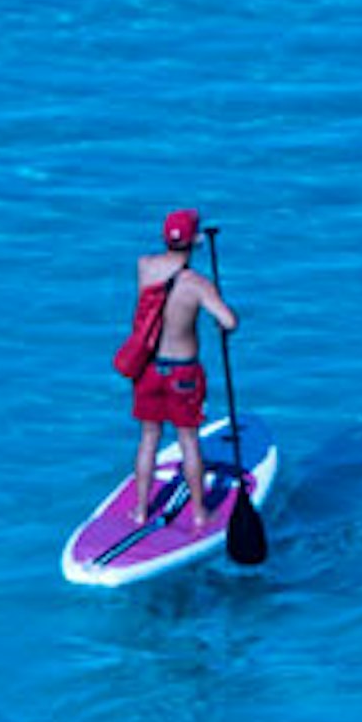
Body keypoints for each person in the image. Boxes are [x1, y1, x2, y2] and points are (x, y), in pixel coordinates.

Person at [120, 207, 238, 526]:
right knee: (188, 441)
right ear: (195, 240)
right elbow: (229, 320)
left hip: (148, 369)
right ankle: (200, 513)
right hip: (183, 374)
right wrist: (221, 324)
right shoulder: (198, 285)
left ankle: (141, 510)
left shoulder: (144, 267)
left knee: (148, 438)